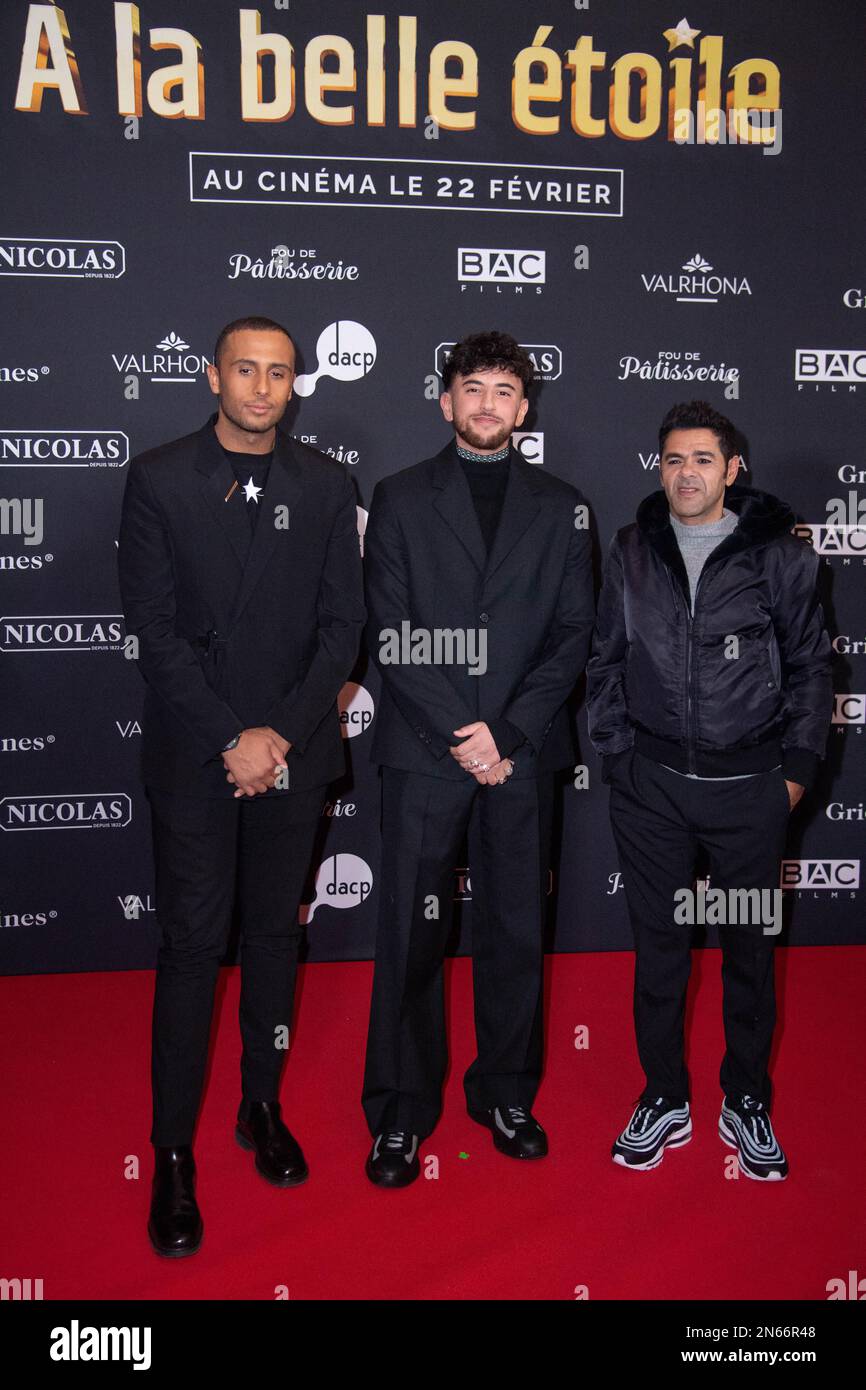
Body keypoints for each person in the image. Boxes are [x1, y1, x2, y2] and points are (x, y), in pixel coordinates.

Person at [117, 315, 365, 1255]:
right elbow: (154, 630)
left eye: (279, 373)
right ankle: (172, 1151)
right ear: (214, 375)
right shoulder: (158, 475)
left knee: (272, 939)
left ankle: (259, 1105)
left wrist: (282, 736)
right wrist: (233, 735)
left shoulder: (327, 483)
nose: (262, 387)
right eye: (246, 370)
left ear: (297, 385)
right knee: (190, 949)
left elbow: (345, 626)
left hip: (293, 754)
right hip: (196, 753)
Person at [361, 330, 595, 1186]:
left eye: (504, 389)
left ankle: (505, 1093)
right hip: (427, 754)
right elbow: (391, 630)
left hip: (523, 757)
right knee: (409, 940)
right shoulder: (397, 496)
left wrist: (510, 733)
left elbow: (573, 635)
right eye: (472, 387)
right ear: (445, 399)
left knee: (514, 931)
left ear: (525, 408)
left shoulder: (564, 505)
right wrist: (464, 734)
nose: (488, 403)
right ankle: (398, 1112)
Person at [586, 399, 832, 1180]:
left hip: (749, 792)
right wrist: (618, 759)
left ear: (732, 469)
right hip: (651, 789)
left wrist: (794, 772)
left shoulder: (784, 558)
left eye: (701, 460)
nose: (684, 474)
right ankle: (664, 1096)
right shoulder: (632, 549)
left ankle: (746, 1099)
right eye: (672, 460)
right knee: (659, 954)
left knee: (748, 956)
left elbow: (813, 669)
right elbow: (603, 661)